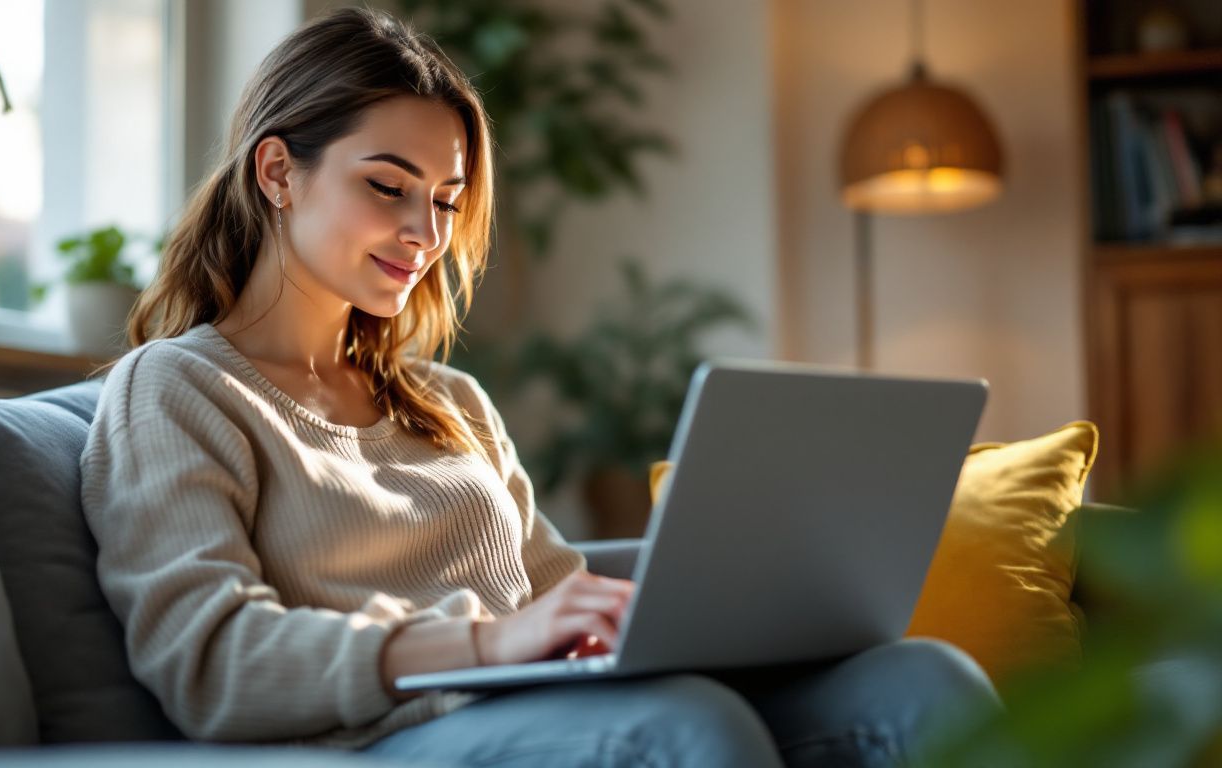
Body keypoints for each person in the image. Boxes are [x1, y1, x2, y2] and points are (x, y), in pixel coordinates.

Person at [79, 6, 1001, 766]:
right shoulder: (175, 390)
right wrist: (479, 645)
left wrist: (676, 618)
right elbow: (211, 662)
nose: (425, 234)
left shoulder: (450, 404)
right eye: (389, 186)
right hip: (388, 735)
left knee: (926, 683)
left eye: (445, 201)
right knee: (688, 730)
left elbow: (554, 593)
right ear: (279, 172)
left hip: (540, 710)